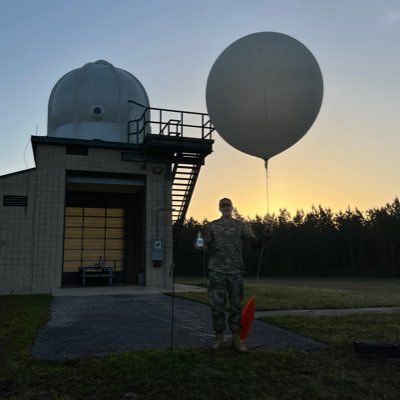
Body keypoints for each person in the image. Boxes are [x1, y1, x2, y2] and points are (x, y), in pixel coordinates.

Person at [203, 197, 256, 352]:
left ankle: (236, 339)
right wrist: (200, 248)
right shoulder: (211, 226)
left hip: (236, 271)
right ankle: (218, 337)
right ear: (219, 208)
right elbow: (204, 244)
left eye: (228, 206)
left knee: (236, 306)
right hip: (217, 271)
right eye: (223, 206)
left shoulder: (240, 225)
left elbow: (253, 243)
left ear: (232, 208)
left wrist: (265, 238)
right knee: (217, 306)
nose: (226, 208)